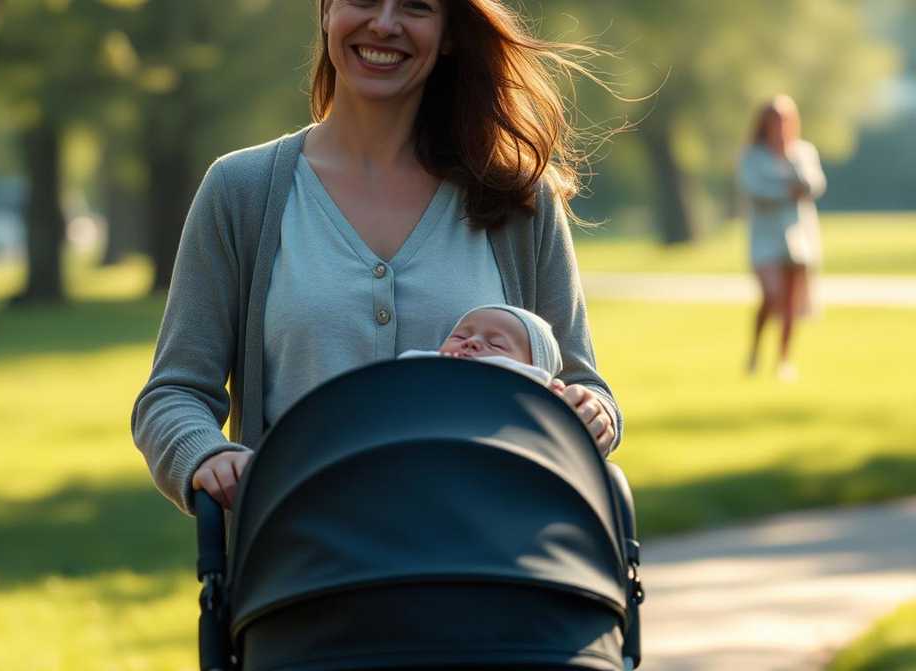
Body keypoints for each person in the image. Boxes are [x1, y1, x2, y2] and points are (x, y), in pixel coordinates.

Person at [132, 0, 623, 516]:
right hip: (300, 567)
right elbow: (175, 392)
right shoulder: (241, 191)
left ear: (449, 32)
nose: (384, 24)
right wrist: (205, 456)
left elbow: (582, 384)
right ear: (325, 12)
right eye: (363, 0)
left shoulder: (519, 196)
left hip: (485, 569)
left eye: (415, 6)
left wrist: (592, 416)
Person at [739, 94, 826, 380]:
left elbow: (814, 185)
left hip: (798, 234)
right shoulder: (753, 155)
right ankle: (755, 349)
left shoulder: (802, 152)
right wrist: (788, 189)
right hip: (765, 237)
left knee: (791, 301)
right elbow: (757, 190)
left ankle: (784, 359)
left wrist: (791, 167)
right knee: (771, 295)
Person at [401, 303, 567, 392]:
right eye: (460, 337)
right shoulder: (426, 376)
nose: (471, 341)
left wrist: (545, 393)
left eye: (496, 344)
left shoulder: (530, 393)